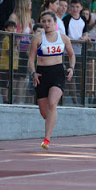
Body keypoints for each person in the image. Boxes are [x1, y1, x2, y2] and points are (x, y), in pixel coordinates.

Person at [28, 10, 76, 150]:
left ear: (55, 23)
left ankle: (47, 139)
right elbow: (31, 60)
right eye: (44, 21)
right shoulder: (37, 38)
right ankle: (51, 122)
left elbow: (72, 55)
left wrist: (71, 68)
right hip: (42, 75)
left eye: (49, 21)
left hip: (57, 73)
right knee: (45, 113)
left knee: (52, 103)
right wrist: (34, 73)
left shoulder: (63, 38)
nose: (47, 24)